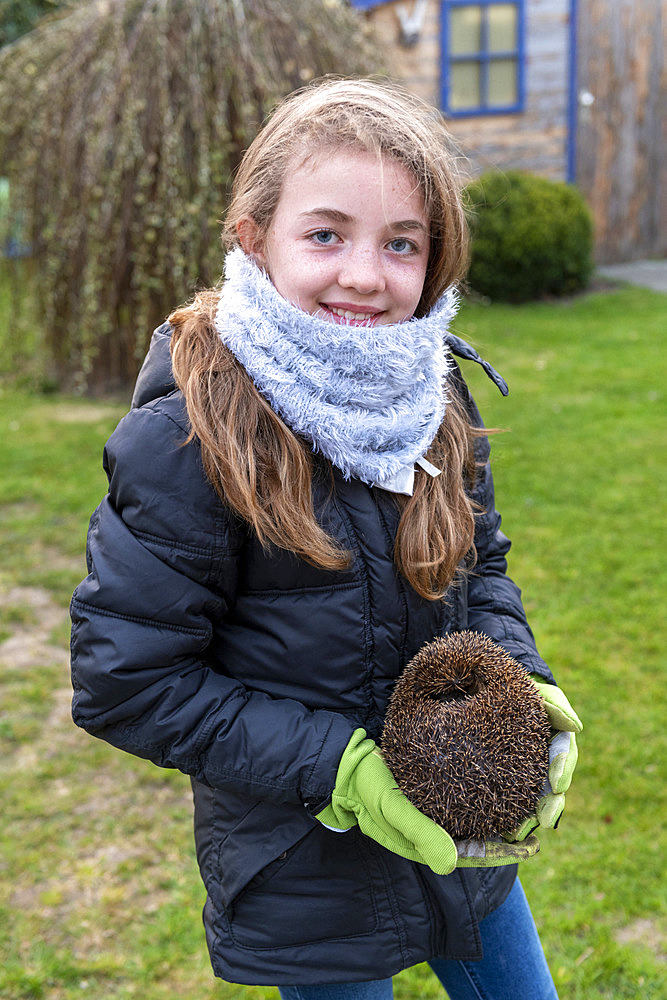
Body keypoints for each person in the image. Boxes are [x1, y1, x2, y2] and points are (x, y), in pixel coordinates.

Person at [70, 77, 582, 1000]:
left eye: (401, 244)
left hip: (459, 825)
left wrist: (519, 681)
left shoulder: (432, 398)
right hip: (303, 862)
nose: (362, 273)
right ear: (252, 236)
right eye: (324, 234)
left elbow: (480, 564)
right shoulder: (186, 439)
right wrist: (341, 772)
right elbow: (128, 680)